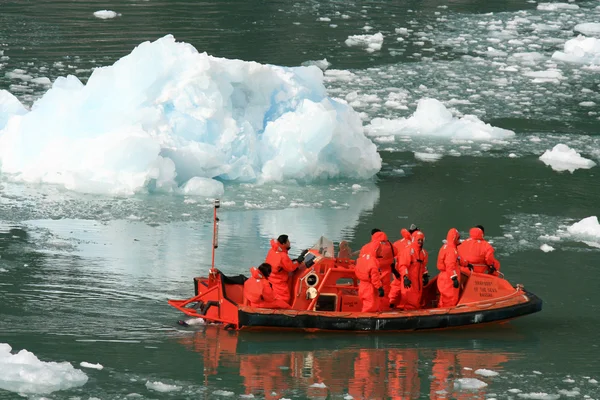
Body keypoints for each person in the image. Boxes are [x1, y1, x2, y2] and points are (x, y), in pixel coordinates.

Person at [390, 230, 429, 310]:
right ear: (414, 239)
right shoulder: (408, 251)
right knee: (408, 298)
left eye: (421, 240)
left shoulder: (423, 253)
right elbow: (403, 265)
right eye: (419, 240)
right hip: (410, 280)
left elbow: (423, 266)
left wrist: (425, 274)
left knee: (417, 297)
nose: (420, 242)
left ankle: (414, 310)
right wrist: (405, 277)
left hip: (418, 281)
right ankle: (405, 311)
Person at [436, 228, 471, 308]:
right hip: (449, 279)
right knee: (450, 299)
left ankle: (441, 310)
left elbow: (458, 258)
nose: (459, 240)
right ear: (455, 238)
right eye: (458, 238)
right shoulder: (451, 250)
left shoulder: (447, 247)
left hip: (444, 277)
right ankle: (446, 313)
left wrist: (466, 264)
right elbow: (450, 265)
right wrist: (454, 278)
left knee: (444, 298)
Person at [265, 234, 304, 304]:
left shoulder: (272, 250)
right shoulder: (282, 256)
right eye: (288, 241)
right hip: (278, 280)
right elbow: (290, 268)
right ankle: (280, 311)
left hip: (271, 277)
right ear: (283, 243)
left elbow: (282, 264)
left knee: (276, 295)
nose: (289, 243)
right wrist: (298, 261)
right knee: (284, 298)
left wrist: (294, 261)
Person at [354, 232, 386, 312]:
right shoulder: (373, 261)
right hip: (370, 288)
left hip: (362, 286)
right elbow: (374, 277)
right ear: (376, 250)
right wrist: (379, 288)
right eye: (379, 249)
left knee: (368, 305)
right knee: (370, 307)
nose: (381, 251)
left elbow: (357, 271)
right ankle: (365, 322)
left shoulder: (361, 259)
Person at [370, 229, 398, 311]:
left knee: (374, 291)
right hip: (387, 272)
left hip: (375, 271)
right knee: (385, 292)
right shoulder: (390, 244)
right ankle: (385, 309)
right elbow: (396, 252)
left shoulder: (373, 245)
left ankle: (376, 309)